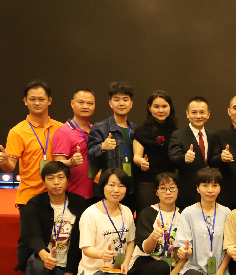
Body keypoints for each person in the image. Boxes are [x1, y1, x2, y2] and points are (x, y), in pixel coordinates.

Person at [0, 80, 63, 275]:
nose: (37, 103)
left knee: (56, 239)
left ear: (49, 101)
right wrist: (4, 162)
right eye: (32, 99)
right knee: (27, 241)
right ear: (25, 101)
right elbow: (10, 166)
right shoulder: (18, 131)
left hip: (56, 195)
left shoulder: (60, 128)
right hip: (29, 196)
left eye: (41, 99)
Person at [22, 161, 88, 275]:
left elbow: (80, 240)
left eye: (60, 177)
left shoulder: (80, 203)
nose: (56, 182)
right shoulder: (34, 204)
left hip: (66, 266)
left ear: (67, 180)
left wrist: (69, 272)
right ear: (44, 181)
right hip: (44, 261)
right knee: (37, 263)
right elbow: (33, 236)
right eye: (50, 178)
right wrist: (44, 254)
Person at [169, 168, 231, 275]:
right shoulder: (188, 213)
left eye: (214, 185)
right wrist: (184, 251)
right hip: (195, 268)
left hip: (217, 272)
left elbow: (229, 249)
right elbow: (184, 246)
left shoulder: (227, 213)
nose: (210, 190)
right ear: (197, 188)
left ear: (220, 188)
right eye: (205, 185)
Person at [78, 168, 138, 275]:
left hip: (116, 270)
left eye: (121, 186)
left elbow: (131, 241)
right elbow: (86, 248)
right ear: (103, 186)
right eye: (111, 185)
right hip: (93, 272)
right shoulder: (90, 214)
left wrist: (126, 262)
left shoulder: (126, 211)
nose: (116, 190)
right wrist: (101, 254)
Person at [127, 172, 184, 275]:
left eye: (172, 188)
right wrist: (153, 236)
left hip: (170, 267)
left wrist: (176, 271)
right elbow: (146, 249)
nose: (168, 192)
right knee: (160, 267)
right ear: (156, 192)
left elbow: (186, 250)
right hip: (144, 265)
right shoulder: (148, 213)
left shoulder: (183, 215)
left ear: (178, 191)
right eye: (163, 188)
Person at [87, 82, 137, 211]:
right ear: (110, 103)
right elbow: (90, 156)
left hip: (131, 189)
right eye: (117, 99)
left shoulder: (135, 130)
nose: (121, 103)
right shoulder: (100, 128)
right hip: (109, 190)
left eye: (125, 99)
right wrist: (102, 147)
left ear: (131, 103)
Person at [132, 90, 178, 216]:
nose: (160, 110)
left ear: (170, 107)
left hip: (168, 182)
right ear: (149, 108)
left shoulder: (175, 131)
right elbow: (136, 157)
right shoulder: (141, 130)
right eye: (156, 107)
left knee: (167, 216)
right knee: (147, 216)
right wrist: (141, 162)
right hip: (147, 182)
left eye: (164, 106)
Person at [169, 97, 217, 210]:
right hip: (188, 192)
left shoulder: (212, 135)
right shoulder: (178, 135)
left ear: (208, 114)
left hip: (209, 193)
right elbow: (173, 159)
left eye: (202, 112)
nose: (198, 116)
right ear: (187, 114)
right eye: (194, 112)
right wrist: (184, 158)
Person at [52, 89, 96, 200]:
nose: (85, 106)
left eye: (90, 103)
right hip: (73, 195)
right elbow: (57, 165)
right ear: (72, 103)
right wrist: (71, 162)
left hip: (95, 193)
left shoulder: (95, 130)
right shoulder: (63, 132)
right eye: (81, 102)